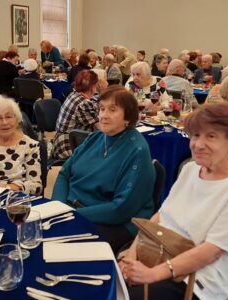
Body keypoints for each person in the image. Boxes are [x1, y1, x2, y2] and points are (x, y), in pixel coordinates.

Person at [120, 102, 228, 299]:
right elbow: (159, 218)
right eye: (195, 135)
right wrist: (130, 257)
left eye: (211, 136)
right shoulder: (191, 169)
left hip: (200, 279)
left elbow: (212, 251)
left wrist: (152, 274)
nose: (198, 144)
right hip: (160, 254)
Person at [52, 86, 155, 253]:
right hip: (74, 209)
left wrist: (73, 215)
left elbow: (120, 209)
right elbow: (65, 173)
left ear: (128, 117)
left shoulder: (137, 151)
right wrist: (58, 206)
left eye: (112, 110)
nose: (103, 116)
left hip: (114, 221)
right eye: (101, 109)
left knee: (60, 245)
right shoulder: (96, 137)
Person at [51, 70, 101, 160]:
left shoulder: (74, 94)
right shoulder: (84, 104)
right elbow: (101, 127)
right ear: (94, 85)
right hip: (68, 145)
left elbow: (94, 97)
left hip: (61, 139)